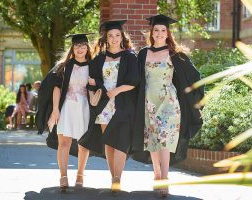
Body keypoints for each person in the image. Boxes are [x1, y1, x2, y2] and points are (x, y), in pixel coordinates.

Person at [133, 14, 204, 197]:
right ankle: (157, 175)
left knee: (165, 140)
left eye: (163, 30)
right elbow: (136, 79)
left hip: (169, 102)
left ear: (167, 33)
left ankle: (164, 178)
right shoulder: (143, 54)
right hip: (148, 102)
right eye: (156, 30)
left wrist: (195, 99)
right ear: (151, 32)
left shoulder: (176, 55)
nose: (159, 33)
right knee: (153, 141)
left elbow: (194, 77)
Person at [79, 20, 139, 192]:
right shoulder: (98, 59)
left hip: (123, 104)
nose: (113, 39)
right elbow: (93, 81)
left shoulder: (129, 57)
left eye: (117, 35)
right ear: (106, 38)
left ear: (122, 37)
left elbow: (134, 81)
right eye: (110, 36)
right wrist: (95, 86)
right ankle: (114, 179)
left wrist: (117, 90)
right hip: (105, 106)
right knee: (110, 142)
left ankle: (118, 178)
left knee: (121, 142)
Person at [38, 33, 93, 191]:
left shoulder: (93, 65)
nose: (80, 48)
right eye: (77, 45)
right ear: (72, 48)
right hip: (66, 106)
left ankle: (80, 175)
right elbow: (57, 88)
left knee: (83, 143)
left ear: (87, 47)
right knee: (64, 142)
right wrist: (55, 110)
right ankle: (63, 176)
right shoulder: (65, 66)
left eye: (83, 45)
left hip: (85, 108)